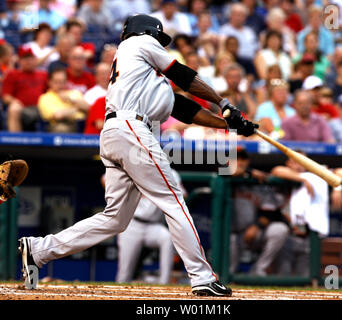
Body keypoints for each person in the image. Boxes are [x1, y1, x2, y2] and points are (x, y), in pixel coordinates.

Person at [19, 14, 259, 296]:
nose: (160, 43)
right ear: (146, 32)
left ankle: (38, 249)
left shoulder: (145, 78)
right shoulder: (138, 42)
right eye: (159, 38)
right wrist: (222, 102)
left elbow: (184, 109)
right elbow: (183, 74)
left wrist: (230, 123)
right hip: (131, 127)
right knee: (173, 200)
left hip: (117, 133)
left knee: (115, 218)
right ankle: (202, 276)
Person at [271, 151, 342, 276]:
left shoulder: (315, 175)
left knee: (307, 278)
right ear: (288, 163)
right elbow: (277, 170)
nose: (299, 165)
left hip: (309, 237)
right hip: (288, 236)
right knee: (282, 276)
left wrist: (337, 187)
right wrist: (302, 179)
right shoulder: (289, 175)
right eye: (295, 161)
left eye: (302, 161)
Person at [115, 169, 184, 285]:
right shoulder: (135, 167)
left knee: (167, 238)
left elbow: (183, 193)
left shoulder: (171, 173)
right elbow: (105, 179)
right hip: (132, 224)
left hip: (154, 225)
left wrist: (167, 191)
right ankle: (118, 293)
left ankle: (164, 283)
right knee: (125, 271)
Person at [2, 46, 48, 132]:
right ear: (19, 61)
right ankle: (16, 141)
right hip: (22, 108)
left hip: (40, 108)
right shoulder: (13, 74)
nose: (28, 61)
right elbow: (6, 96)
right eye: (25, 59)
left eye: (31, 58)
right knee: (14, 108)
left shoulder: (43, 75)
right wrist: (14, 102)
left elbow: (51, 92)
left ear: (35, 59)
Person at [37, 67, 90, 133]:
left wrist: (71, 99)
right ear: (49, 82)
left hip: (80, 125)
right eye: (57, 82)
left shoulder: (74, 93)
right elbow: (58, 116)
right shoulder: (45, 98)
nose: (60, 85)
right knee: (62, 128)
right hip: (57, 126)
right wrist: (76, 109)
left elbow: (89, 108)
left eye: (63, 81)